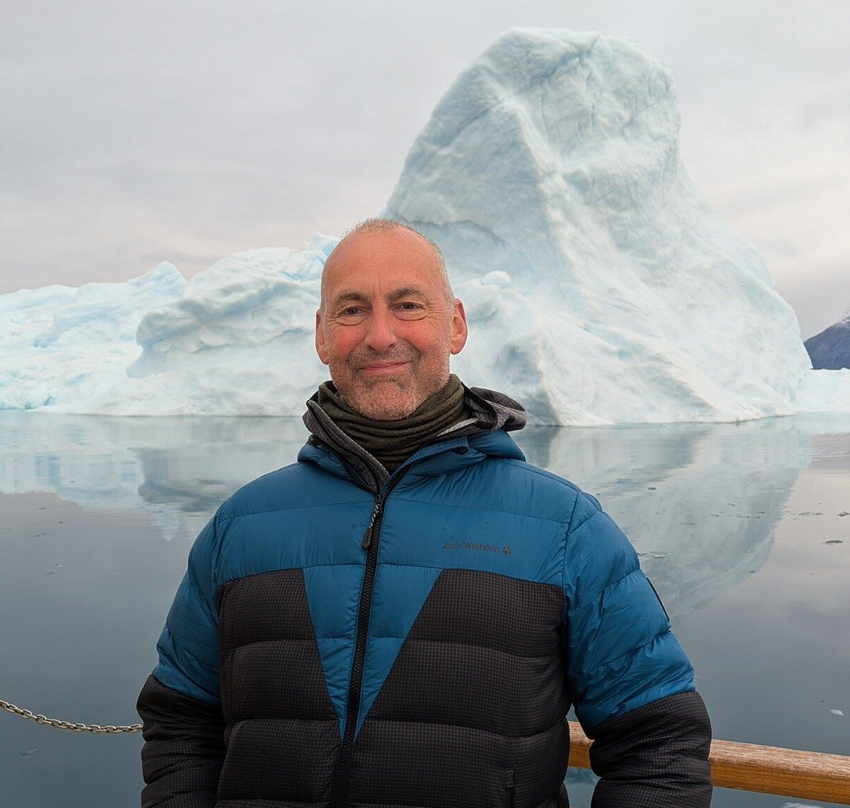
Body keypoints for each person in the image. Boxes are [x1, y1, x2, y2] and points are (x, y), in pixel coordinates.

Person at [137, 218, 713, 808]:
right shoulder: (242, 525)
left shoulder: (565, 528)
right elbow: (181, 722)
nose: (381, 335)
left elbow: (658, 744)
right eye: (352, 310)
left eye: (408, 305)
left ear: (455, 325)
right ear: (321, 333)